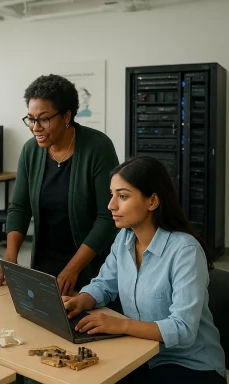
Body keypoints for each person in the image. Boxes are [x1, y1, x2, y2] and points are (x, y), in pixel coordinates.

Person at [63, 156, 226, 384]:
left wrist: (122, 325)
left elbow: (183, 329)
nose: (111, 205)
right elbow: (103, 284)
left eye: (123, 196)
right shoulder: (124, 239)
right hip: (140, 355)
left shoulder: (185, 250)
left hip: (190, 365)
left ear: (152, 201)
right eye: (112, 195)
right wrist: (82, 300)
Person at [0, 74, 119, 296]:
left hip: (91, 267)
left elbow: (106, 217)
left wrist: (73, 268)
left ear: (66, 116)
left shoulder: (98, 148)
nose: (35, 127)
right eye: (31, 119)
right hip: (45, 265)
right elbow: (20, 207)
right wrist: (11, 257)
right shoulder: (30, 151)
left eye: (43, 119)